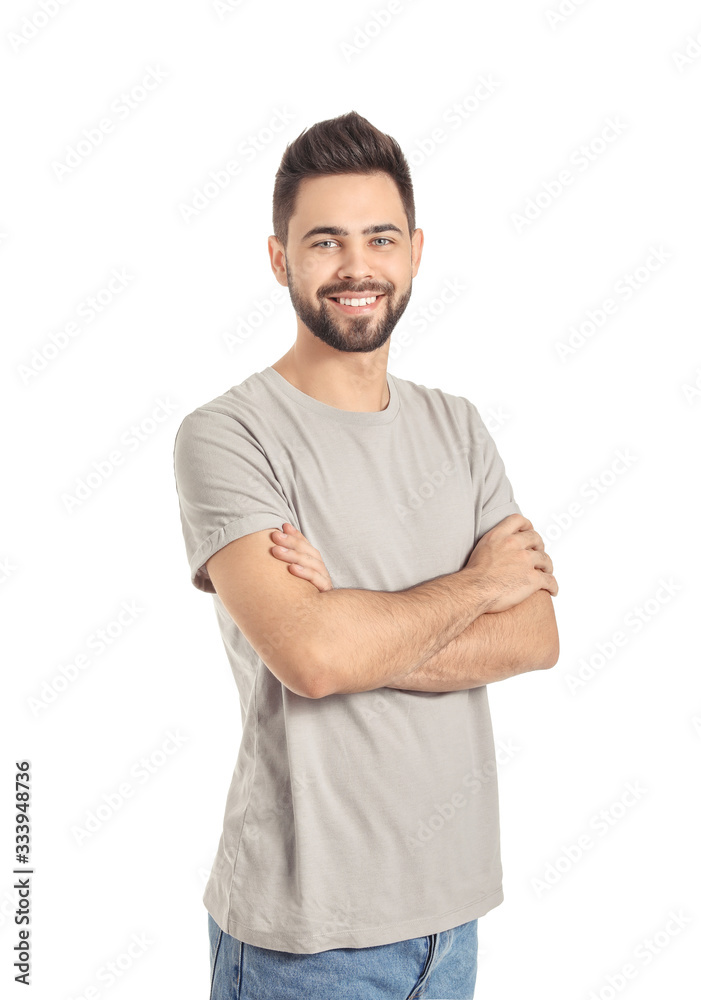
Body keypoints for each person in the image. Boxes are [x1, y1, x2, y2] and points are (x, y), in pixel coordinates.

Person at [173, 110, 559, 1000]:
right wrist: (476, 584)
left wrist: (348, 611)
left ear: (415, 253)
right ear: (280, 259)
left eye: (379, 238)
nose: (356, 267)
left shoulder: (456, 426)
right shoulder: (229, 436)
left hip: (452, 920)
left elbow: (533, 633)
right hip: (307, 942)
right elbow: (311, 658)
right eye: (324, 242)